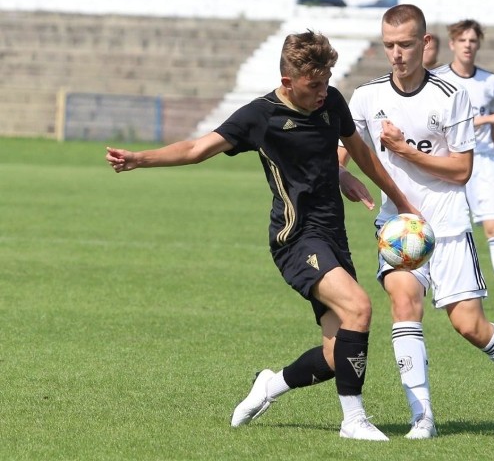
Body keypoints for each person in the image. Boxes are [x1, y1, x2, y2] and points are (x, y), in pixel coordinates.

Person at [105, 30, 416, 441]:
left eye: (326, 80)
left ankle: (269, 385)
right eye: (314, 85)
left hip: (333, 237)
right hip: (296, 238)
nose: (323, 91)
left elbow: (360, 153)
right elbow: (199, 148)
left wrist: (399, 201)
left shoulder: (332, 102)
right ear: (288, 82)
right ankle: (353, 420)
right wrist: (140, 159)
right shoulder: (261, 116)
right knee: (360, 307)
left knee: (334, 352)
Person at [339, 4, 494, 439]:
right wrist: (339, 173)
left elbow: (462, 170)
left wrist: (405, 151)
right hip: (398, 228)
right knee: (403, 304)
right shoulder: (366, 97)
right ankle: (422, 417)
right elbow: (347, 151)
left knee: (471, 326)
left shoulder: (452, 96)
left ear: (425, 43)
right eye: (389, 45)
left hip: (448, 227)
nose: (397, 54)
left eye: (406, 44)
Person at [431, 19, 494, 316]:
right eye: (463, 40)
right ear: (453, 44)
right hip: (450, 160)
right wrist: (489, 119)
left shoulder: (491, 81)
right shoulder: (438, 79)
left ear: (478, 44)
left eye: (473, 40)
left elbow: (491, 127)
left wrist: (492, 150)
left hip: (483, 161)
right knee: (447, 229)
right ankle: (443, 292)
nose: (468, 45)